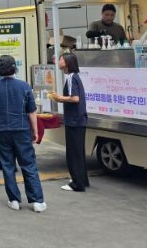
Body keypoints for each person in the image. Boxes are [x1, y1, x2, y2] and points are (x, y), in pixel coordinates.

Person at [0, 55, 46, 213]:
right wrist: (35, 130)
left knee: (8, 165)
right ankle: (37, 201)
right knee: (28, 164)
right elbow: (31, 111)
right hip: (22, 130)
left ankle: (14, 200)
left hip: (2, 131)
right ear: (14, 68)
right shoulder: (24, 86)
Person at [49, 53, 89, 192]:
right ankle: (82, 179)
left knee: (73, 153)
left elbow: (75, 98)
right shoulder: (74, 77)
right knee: (79, 152)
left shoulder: (71, 77)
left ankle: (77, 184)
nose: (58, 61)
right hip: (79, 119)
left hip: (74, 120)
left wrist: (59, 98)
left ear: (67, 63)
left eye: (60, 59)